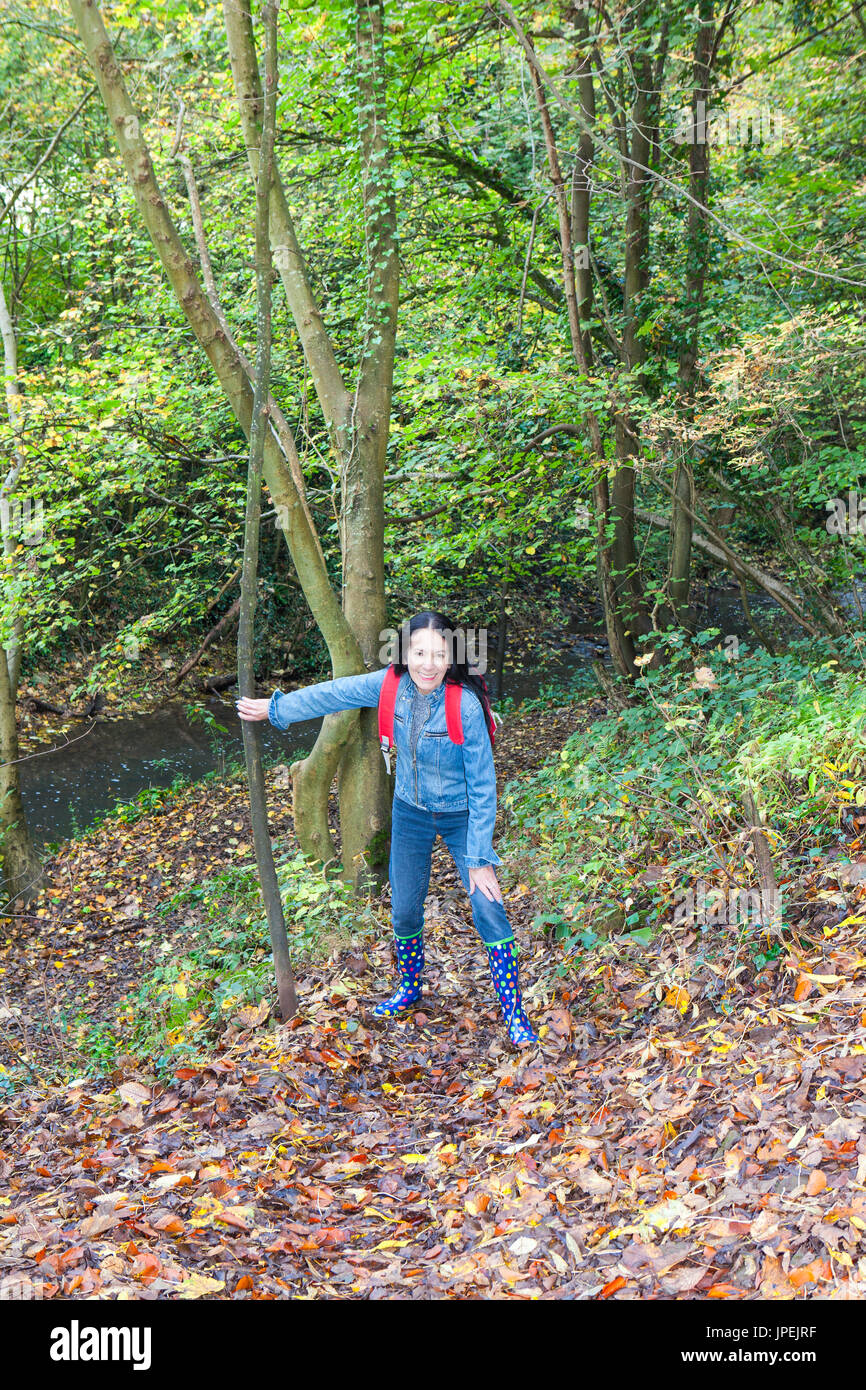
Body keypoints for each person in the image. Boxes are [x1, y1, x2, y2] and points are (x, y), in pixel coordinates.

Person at [236, 610, 538, 1047]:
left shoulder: (465, 705)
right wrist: (277, 708)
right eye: (419, 652)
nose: (428, 664)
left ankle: (514, 1014)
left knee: (488, 905)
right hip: (410, 811)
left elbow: (484, 786)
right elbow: (335, 693)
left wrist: (478, 860)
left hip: (462, 815)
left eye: (438, 654)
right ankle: (410, 987)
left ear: (451, 655)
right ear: (404, 652)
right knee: (405, 907)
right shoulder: (390, 685)